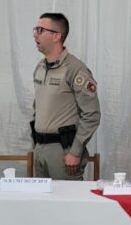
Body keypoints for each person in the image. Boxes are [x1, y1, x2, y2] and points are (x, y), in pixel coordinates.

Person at [31, 13, 101, 180]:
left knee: (66, 197)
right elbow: (37, 108)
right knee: (41, 197)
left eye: (40, 30)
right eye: (35, 29)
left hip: (63, 152)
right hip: (40, 149)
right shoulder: (40, 67)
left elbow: (91, 114)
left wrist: (75, 151)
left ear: (57, 36)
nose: (35, 34)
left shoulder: (75, 69)